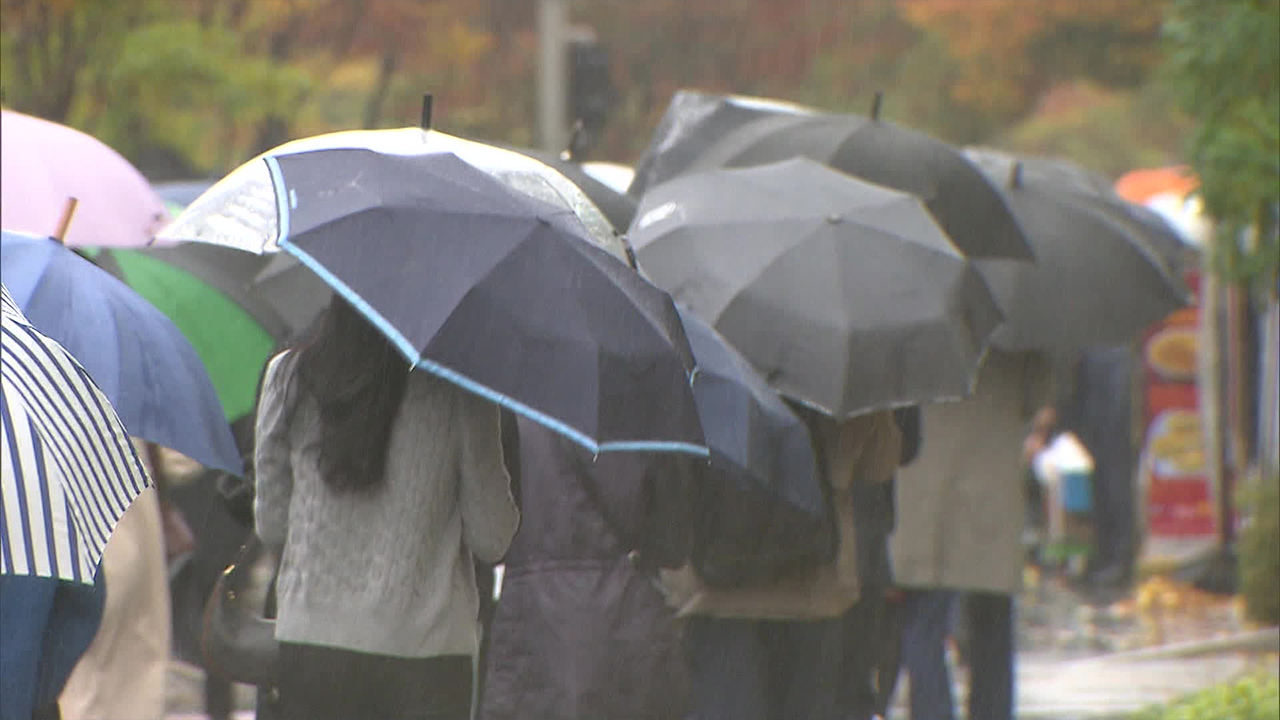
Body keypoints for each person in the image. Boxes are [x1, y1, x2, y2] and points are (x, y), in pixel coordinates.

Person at [253, 296, 520, 720]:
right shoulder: (462, 389)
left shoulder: (289, 375)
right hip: (424, 656)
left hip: (313, 646)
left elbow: (271, 525)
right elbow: (493, 539)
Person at [671, 408, 904, 720]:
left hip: (715, 583)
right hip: (813, 583)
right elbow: (879, 465)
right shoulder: (835, 371)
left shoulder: (699, 366)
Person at [479, 417, 696, 720]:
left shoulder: (512, 404)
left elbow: (489, 536)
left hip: (530, 623)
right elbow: (672, 544)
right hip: (626, 620)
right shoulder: (641, 408)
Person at [891, 350, 1053, 720]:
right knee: (993, 629)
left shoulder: (909, 313)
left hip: (922, 491)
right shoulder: (1015, 320)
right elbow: (1035, 397)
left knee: (923, 626)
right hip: (990, 490)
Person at [57, 441, 171, 720]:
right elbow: (183, 462)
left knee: (80, 678)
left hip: (73, 541)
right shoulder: (128, 398)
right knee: (134, 674)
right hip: (131, 533)